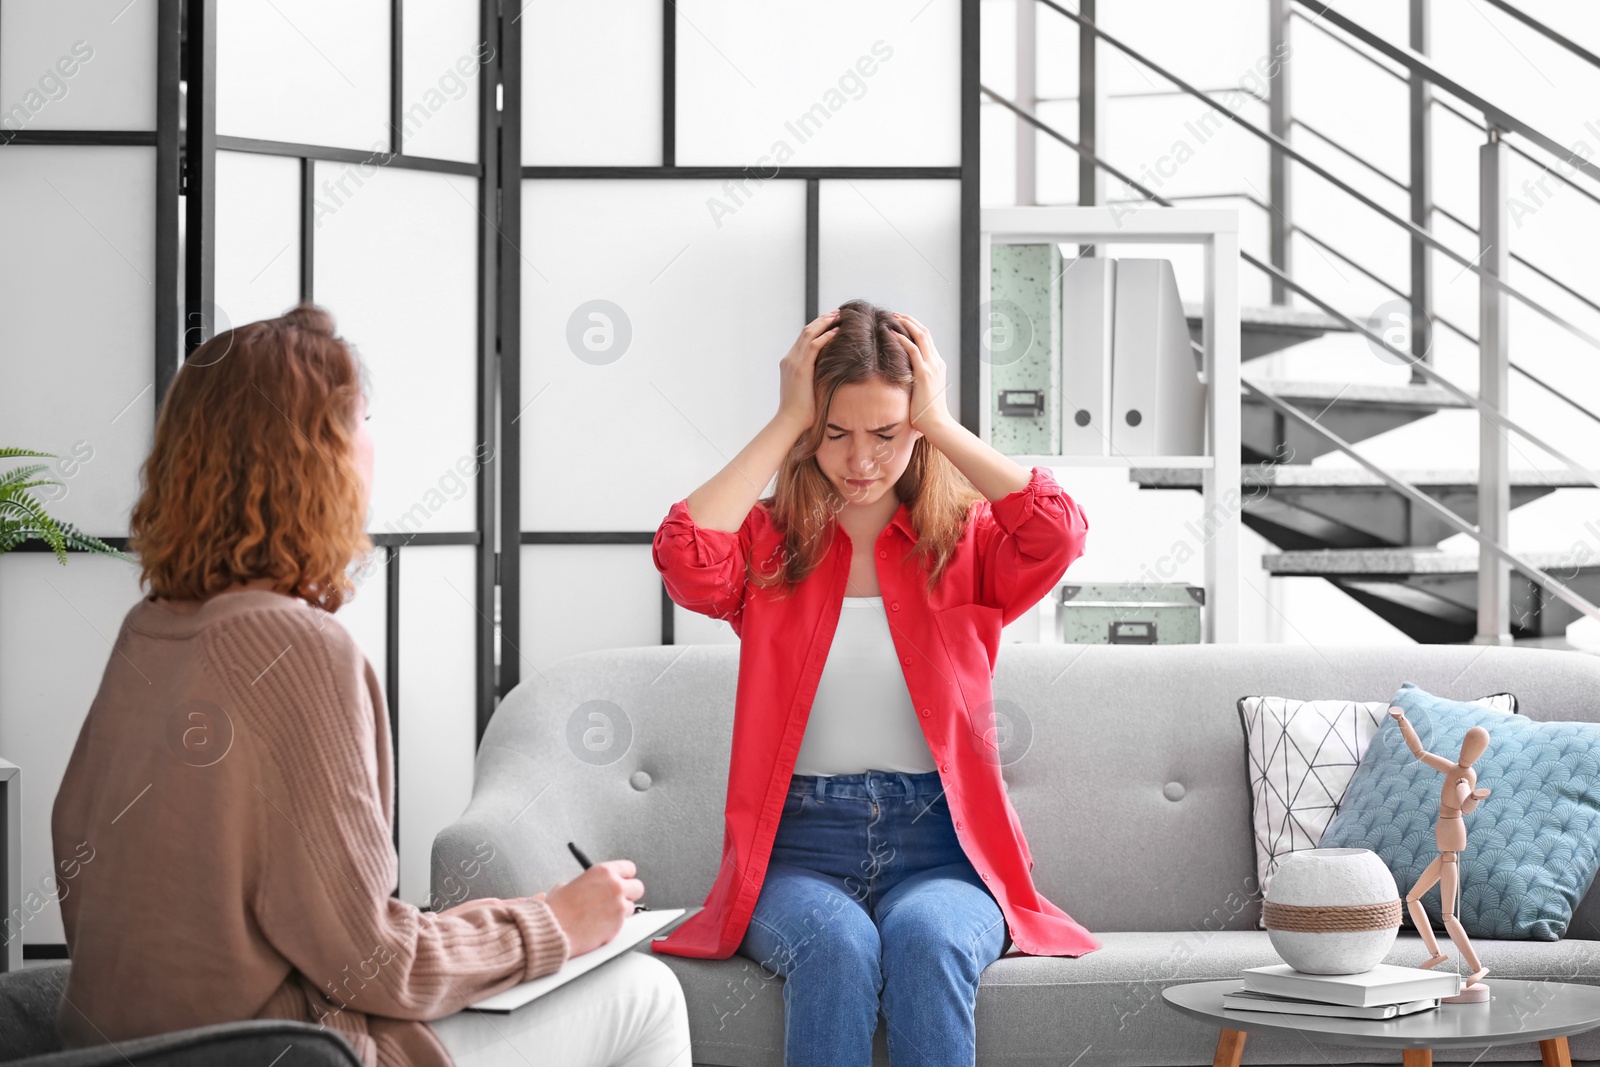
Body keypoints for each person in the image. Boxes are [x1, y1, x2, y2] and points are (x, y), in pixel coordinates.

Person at [50, 304, 690, 1067]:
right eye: (361, 420)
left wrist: (501, 920)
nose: (373, 444)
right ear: (311, 459)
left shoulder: (148, 631)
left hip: (132, 1050)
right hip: (277, 1051)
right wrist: (551, 924)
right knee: (648, 993)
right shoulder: (293, 649)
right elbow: (373, 959)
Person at [649, 300, 1101, 1066]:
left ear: (915, 428)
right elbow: (684, 554)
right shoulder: (768, 544)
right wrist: (787, 416)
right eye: (834, 433)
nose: (860, 460)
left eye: (886, 434)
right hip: (798, 848)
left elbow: (1058, 531)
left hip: (943, 848)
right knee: (836, 947)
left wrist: (943, 422)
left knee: (927, 943)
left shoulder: (968, 544)